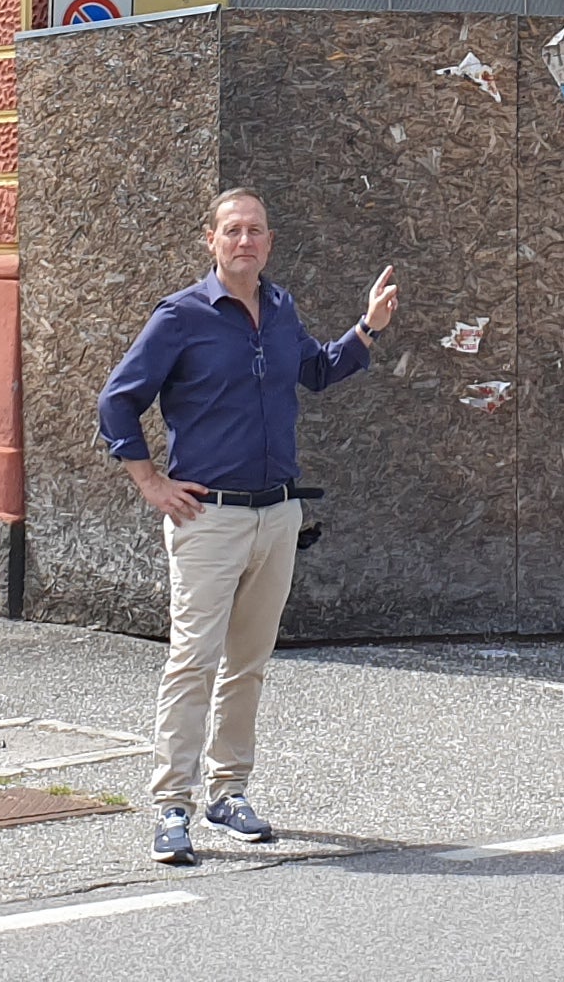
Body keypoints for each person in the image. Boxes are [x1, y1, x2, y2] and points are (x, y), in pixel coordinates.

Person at [95, 187, 397, 865]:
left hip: (277, 514)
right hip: (209, 517)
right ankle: (172, 806)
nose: (245, 241)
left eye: (255, 230)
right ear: (211, 240)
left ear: (268, 241)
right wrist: (150, 482)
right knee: (193, 661)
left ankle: (228, 794)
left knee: (248, 666)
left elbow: (315, 371)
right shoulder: (181, 317)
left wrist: (367, 329)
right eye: (232, 230)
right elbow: (118, 402)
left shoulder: (281, 308)